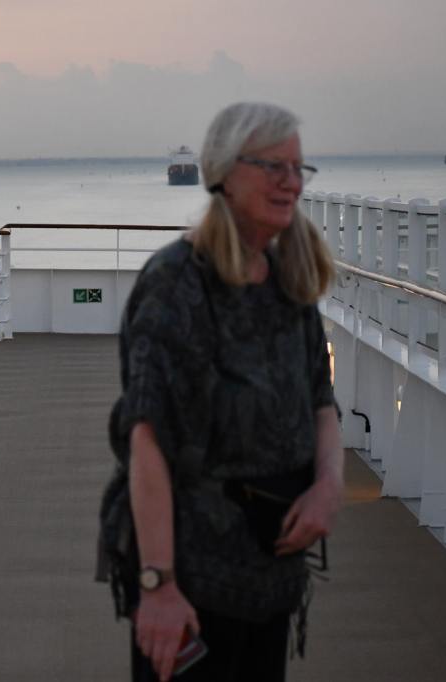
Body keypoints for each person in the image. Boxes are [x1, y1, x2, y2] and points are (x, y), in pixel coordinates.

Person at [115, 102, 344, 682]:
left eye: (297, 168)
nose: (290, 182)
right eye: (272, 166)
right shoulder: (177, 284)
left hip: (272, 572)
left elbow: (321, 399)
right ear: (224, 173)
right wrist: (158, 585)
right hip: (193, 578)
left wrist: (328, 487)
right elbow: (147, 439)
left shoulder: (289, 278)